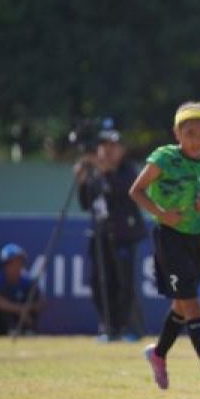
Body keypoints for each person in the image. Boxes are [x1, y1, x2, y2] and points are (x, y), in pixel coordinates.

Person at [129, 102, 200, 394]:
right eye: (189, 132)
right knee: (192, 303)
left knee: (181, 304)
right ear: (177, 133)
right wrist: (161, 213)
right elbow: (135, 191)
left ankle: (158, 353)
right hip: (170, 236)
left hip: (198, 235)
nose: (196, 137)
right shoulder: (163, 158)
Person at [75, 125, 148, 342]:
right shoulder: (94, 173)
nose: (107, 151)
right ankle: (107, 325)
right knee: (98, 281)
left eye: (113, 147)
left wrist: (106, 171)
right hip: (100, 234)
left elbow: (126, 192)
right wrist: (81, 182)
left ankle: (125, 327)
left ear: (121, 150)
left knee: (123, 282)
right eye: (103, 146)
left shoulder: (128, 170)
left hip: (124, 234)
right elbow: (86, 203)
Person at [0, 244, 44, 335]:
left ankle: (27, 332)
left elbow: (41, 302)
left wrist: (28, 309)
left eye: (20, 262)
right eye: (13, 262)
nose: (17, 265)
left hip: (24, 319)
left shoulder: (28, 281)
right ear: (5, 265)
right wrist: (19, 310)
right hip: (1, 325)